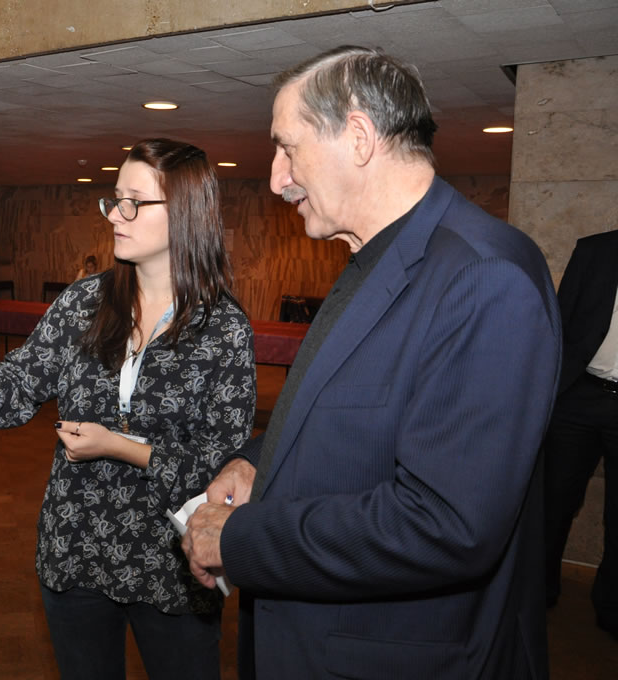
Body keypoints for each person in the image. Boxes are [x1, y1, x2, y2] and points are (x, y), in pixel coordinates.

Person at [181, 46, 562, 678]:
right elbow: (346, 412)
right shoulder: (377, 255)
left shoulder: (485, 275)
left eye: (287, 148)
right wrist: (256, 465)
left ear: (358, 137)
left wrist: (240, 538)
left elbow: (444, 524)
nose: (276, 179)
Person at [0, 138, 256, 680]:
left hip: (173, 564)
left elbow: (221, 468)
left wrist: (120, 447)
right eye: (114, 200)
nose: (115, 215)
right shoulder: (84, 301)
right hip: (76, 549)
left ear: (184, 214)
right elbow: (9, 395)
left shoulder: (223, 329)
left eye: (134, 202)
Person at [543, 228, 618, 638]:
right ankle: (539, 590)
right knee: (553, 500)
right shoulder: (595, 250)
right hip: (579, 397)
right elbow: (560, 319)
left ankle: (612, 607)